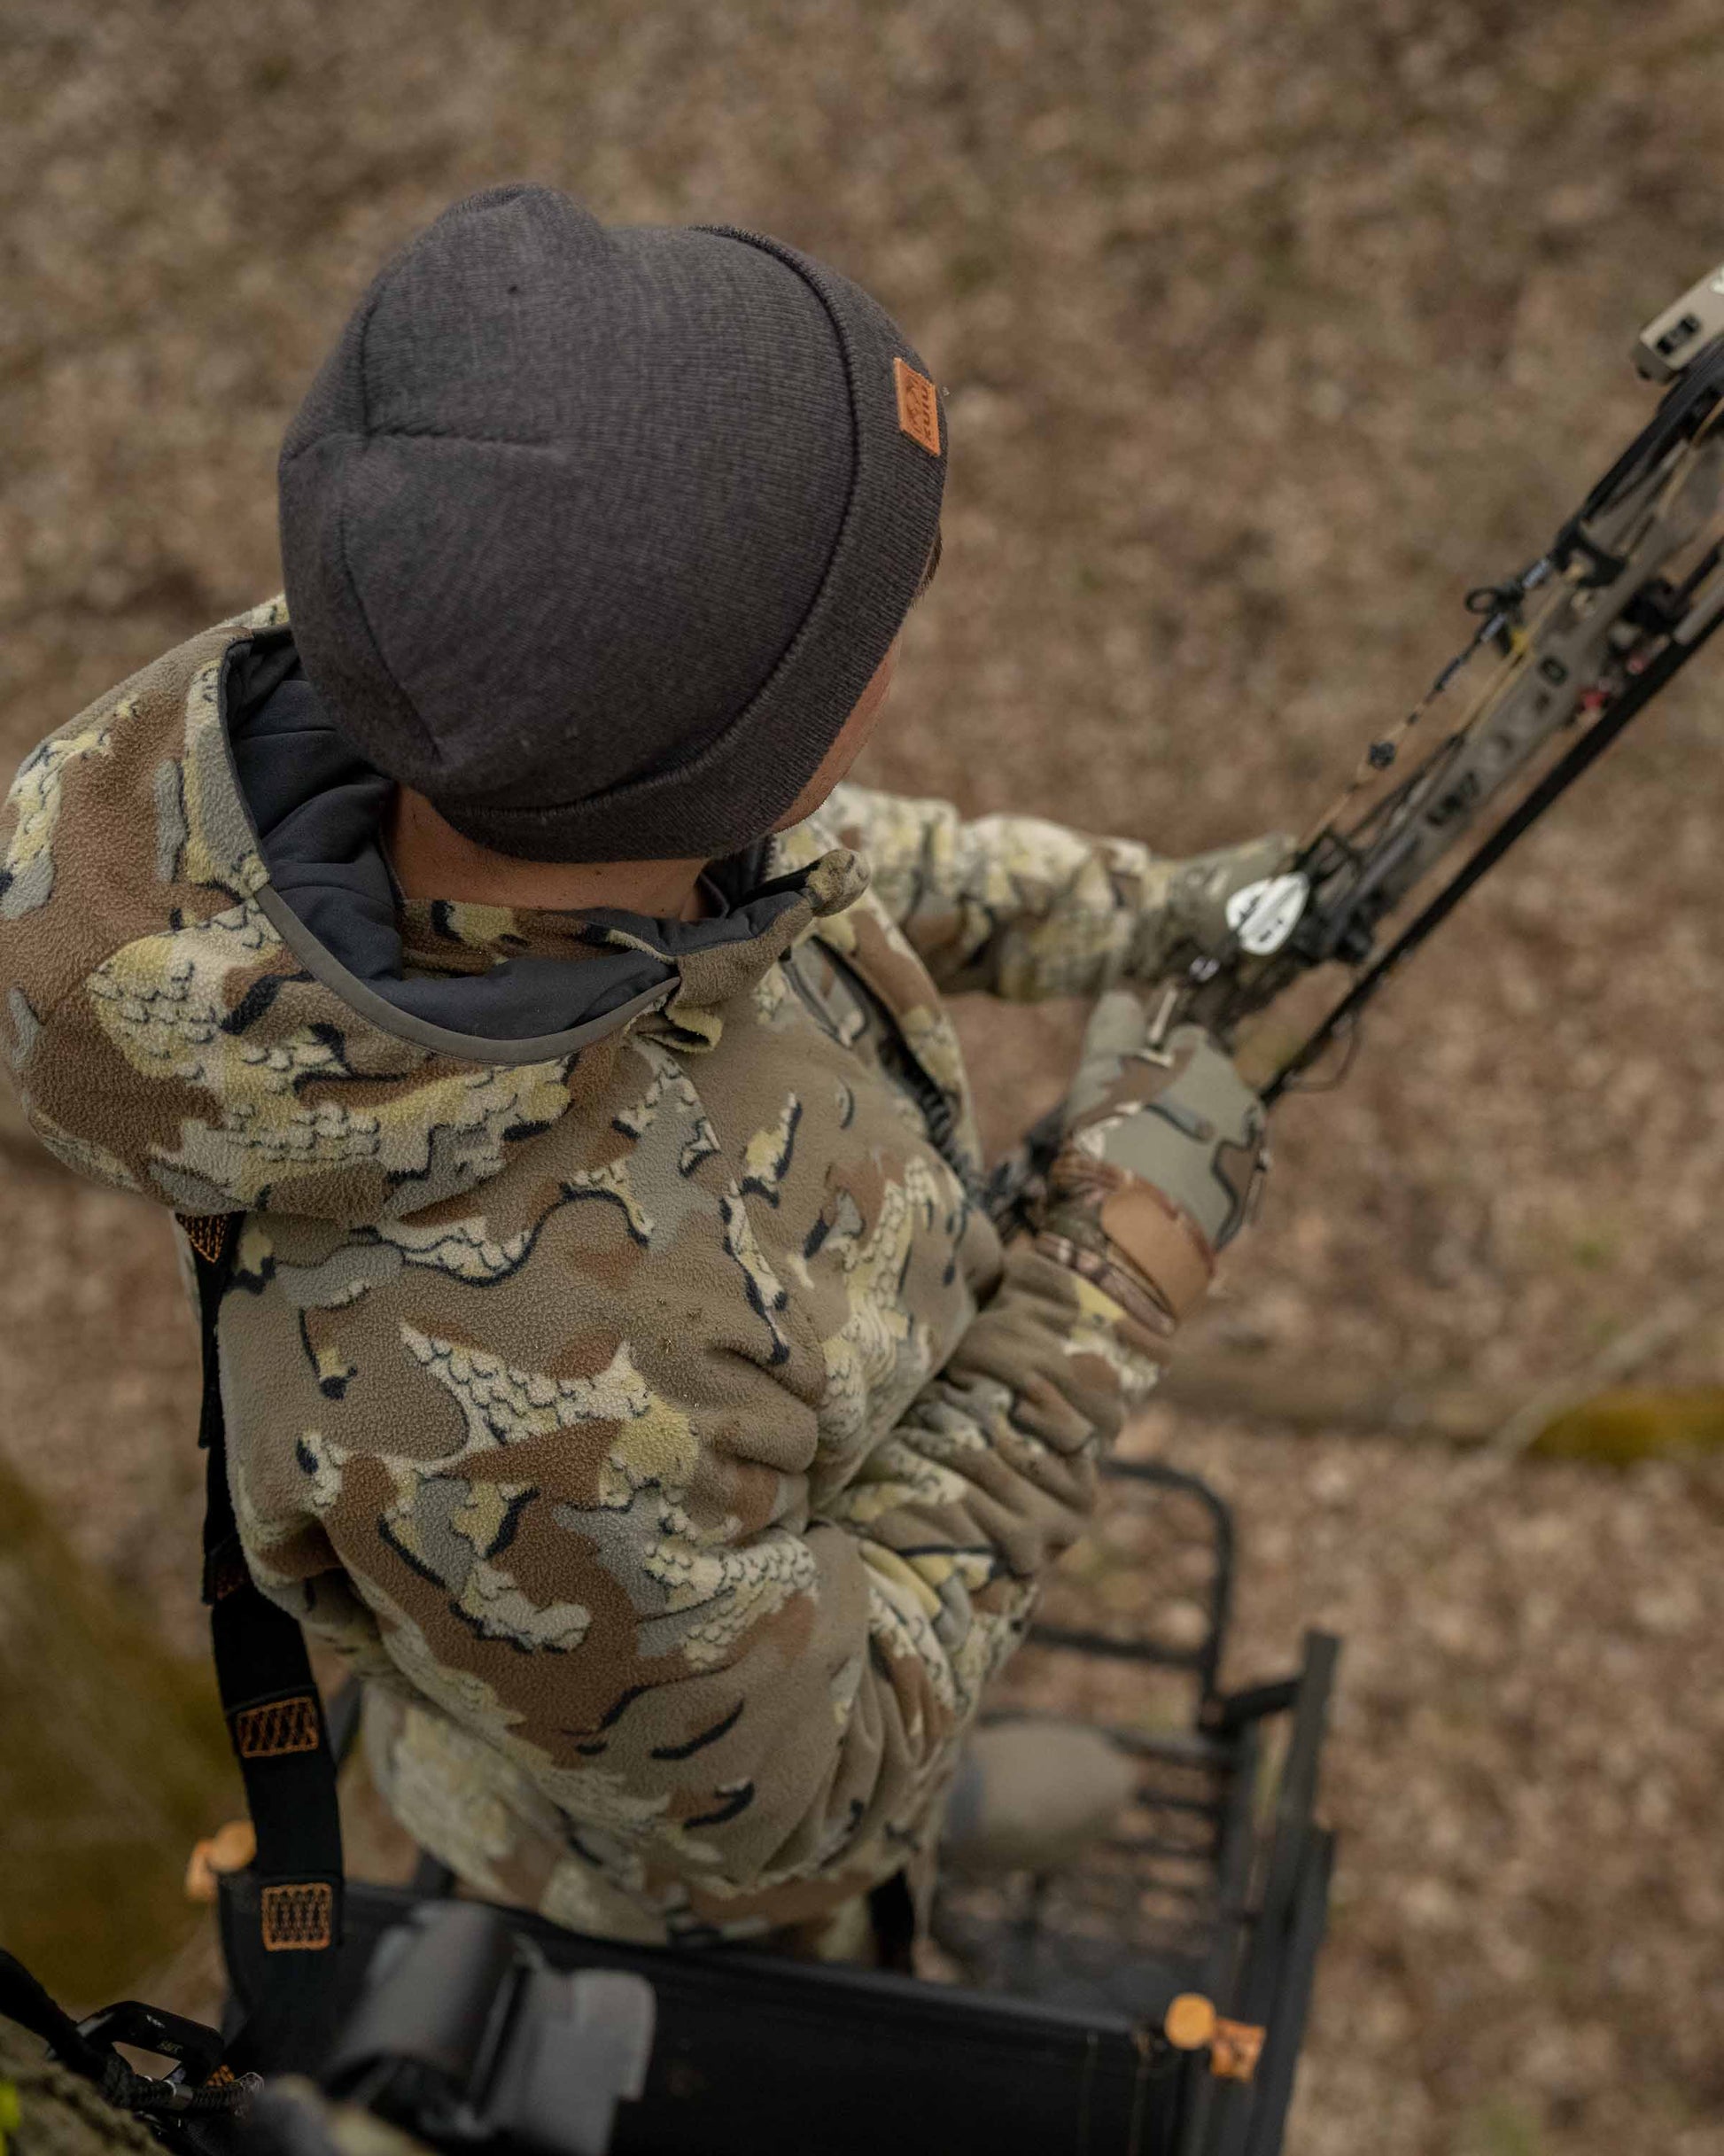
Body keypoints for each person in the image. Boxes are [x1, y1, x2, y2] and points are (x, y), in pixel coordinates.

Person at [0, 185, 1277, 1961]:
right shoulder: (508, 1404)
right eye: (875, 610)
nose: (908, 615)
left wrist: (1150, 912)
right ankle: (930, 1797)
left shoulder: (492, 734)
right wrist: (1100, 1295)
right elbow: (789, 1800)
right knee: (837, 1840)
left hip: (799, 1487)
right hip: (677, 1870)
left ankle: (924, 1680)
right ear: (723, 743)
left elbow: (818, 863)